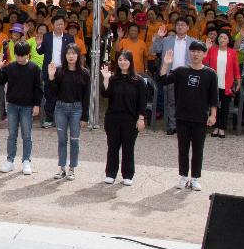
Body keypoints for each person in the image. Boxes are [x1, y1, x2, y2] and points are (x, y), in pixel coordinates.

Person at [159, 40, 218, 190]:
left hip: (200, 117)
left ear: (204, 54)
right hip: (182, 116)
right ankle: (183, 176)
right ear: (189, 53)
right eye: (193, 51)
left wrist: (213, 115)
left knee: (198, 149)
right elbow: (163, 80)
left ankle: (195, 178)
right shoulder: (180, 71)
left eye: (199, 51)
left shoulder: (210, 73)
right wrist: (166, 64)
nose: (195, 54)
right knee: (183, 149)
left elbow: (214, 97)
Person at [101, 50, 151, 185]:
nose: (122, 62)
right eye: (120, 60)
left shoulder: (138, 81)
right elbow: (105, 94)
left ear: (131, 62)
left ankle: (128, 174)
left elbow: (142, 101)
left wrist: (141, 118)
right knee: (112, 147)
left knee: (128, 147)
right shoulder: (113, 79)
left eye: (125, 60)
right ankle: (110, 173)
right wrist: (106, 79)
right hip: (113, 118)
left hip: (130, 119)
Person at [0, 40, 43, 175]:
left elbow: (38, 88)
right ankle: (10, 160)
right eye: (18, 55)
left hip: (27, 106)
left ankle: (26, 160)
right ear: (15, 54)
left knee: (27, 135)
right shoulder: (10, 67)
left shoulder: (34, 68)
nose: (20, 58)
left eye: (23, 55)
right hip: (13, 105)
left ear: (29, 54)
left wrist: (37, 105)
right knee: (12, 135)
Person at [49, 44, 89, 180]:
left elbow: (86, 96)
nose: (71, 56)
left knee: (74, 140)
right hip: (60, 107)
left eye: (73, 53)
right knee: (61, 140)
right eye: (68, 53)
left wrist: (85, 116)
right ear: (64, 56)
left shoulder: (84, 73)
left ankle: (72, 168)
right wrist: (51, 77)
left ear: (78, 55)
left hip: (77, 109)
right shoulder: (60, 71)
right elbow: (53, 92)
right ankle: (62, 168)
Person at [151, 18, 193, 135]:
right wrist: (159, 37)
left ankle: (184, 125)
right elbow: (154, 50)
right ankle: (172, 125)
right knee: (171, 101)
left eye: (183, 25)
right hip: (171, 73)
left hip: (187, 73)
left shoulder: (193, 42)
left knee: (187, 101)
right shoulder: (167, 40)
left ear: (188, 27)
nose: (180, 27)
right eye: (178, 25)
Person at [38, 14, 75, 128]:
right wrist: (39, 45)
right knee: (50, 94)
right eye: (57, 24)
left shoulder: (69, 38)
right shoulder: (47, 37)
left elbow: (73, 54)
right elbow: (40, 52)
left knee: (64, 94)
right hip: (50, 69)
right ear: (52, 25)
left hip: (64, 69)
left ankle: (64, 118)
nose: (60, 26)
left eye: (62, 24)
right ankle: (49, 118)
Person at [203, 31, 238, 138]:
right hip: (214, 83)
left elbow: (236, 69)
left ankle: (222, 128)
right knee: (214, 106)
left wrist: (238, 81)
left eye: (225, 37)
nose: (222, 39)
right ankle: (215, 127)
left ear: (228, 40)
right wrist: (207, 48)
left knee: (225, 106)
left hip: (227, 84)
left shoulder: (232, 52)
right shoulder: (213, 50)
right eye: (220, 37)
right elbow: (204, 62)